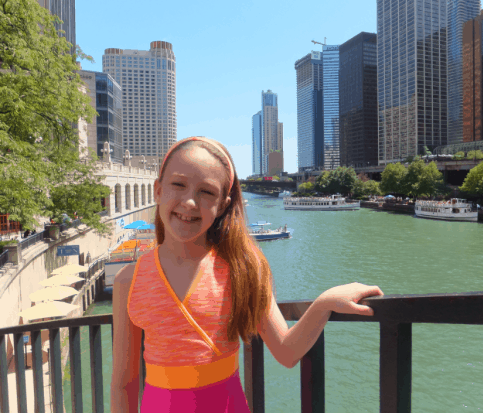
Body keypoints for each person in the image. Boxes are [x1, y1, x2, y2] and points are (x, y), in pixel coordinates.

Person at [111, 137, 383, 413]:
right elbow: (124, 383)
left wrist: (325, 302)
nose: (190, 201)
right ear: (158, 190)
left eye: (207, 192)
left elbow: (286, 352)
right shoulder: (128, 281)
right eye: (178, 184)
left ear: (223, 205)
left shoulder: (242, 268)